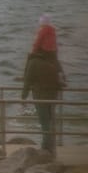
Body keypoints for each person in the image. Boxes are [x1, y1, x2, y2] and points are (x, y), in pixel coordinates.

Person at [22, 17, 66, 153]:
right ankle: (50, 147)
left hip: (40, 94)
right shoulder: (54, 60)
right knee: (51, 119)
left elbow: (28, 80)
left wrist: (23, 97)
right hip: (53, 93)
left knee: (44, 121)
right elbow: (62, 76)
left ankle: (46, 148)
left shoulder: (34, 61)